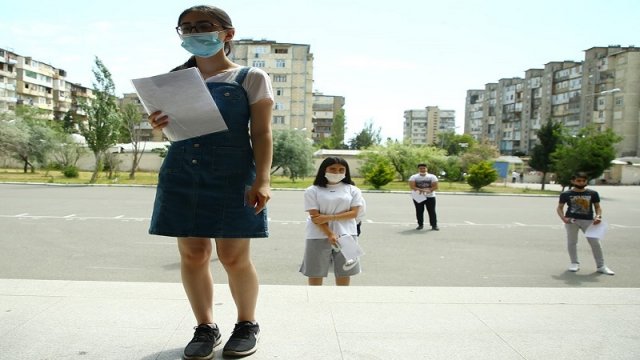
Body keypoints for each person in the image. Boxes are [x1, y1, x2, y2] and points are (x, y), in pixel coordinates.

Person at [147, 5, 273, 359]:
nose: (194, 32)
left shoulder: (250, 77)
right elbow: (174, 135)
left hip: (234, 173)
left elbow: (261, 133)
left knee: (233, 257)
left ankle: (247, 324)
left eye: (204, 26)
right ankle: (205, 327)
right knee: (193, 253)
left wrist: (262, 179)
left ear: (227, 34)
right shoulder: (173, 80)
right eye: (186, 27)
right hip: (182, 172)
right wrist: (160, 126)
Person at [300, 157, 365, 286]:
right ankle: (314, 299)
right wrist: (329, 233)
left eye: (341, 170)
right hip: (317, 235)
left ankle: (341, 300)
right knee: (315, 271)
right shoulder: (312, 190)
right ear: (324, 169)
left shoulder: (353, 190)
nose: (337, 173)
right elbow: (315, 217)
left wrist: (328, 217)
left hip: (347, 235)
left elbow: (354, 213)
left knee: (345, 272)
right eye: (333, 169)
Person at [556, 172, 614, 275]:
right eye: (578, 180)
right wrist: (564, 218)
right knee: (572, 242)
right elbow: (559, 208)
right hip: (571, 220)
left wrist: (598, 216)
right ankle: (574, 263)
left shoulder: (592, 193)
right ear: (573, 181)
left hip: (588, 221)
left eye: (583, 180)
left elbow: (597, 207)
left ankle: (601, 266)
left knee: (595, 243)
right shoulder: (566, 194)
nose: (581, 182)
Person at [408, 163, 439, 230]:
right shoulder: (414, 177)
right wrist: (421, 190)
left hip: (430, 196)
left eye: (424, 168)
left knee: (432, 211)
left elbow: (435, 186)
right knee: (419, 211)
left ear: (426, 169)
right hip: (418, 196)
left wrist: (429, 190)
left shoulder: (432, 176)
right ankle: (420, 225)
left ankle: (434, 225)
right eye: (421, 168)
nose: (422, 170)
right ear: (418, 169)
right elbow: (412, 186)